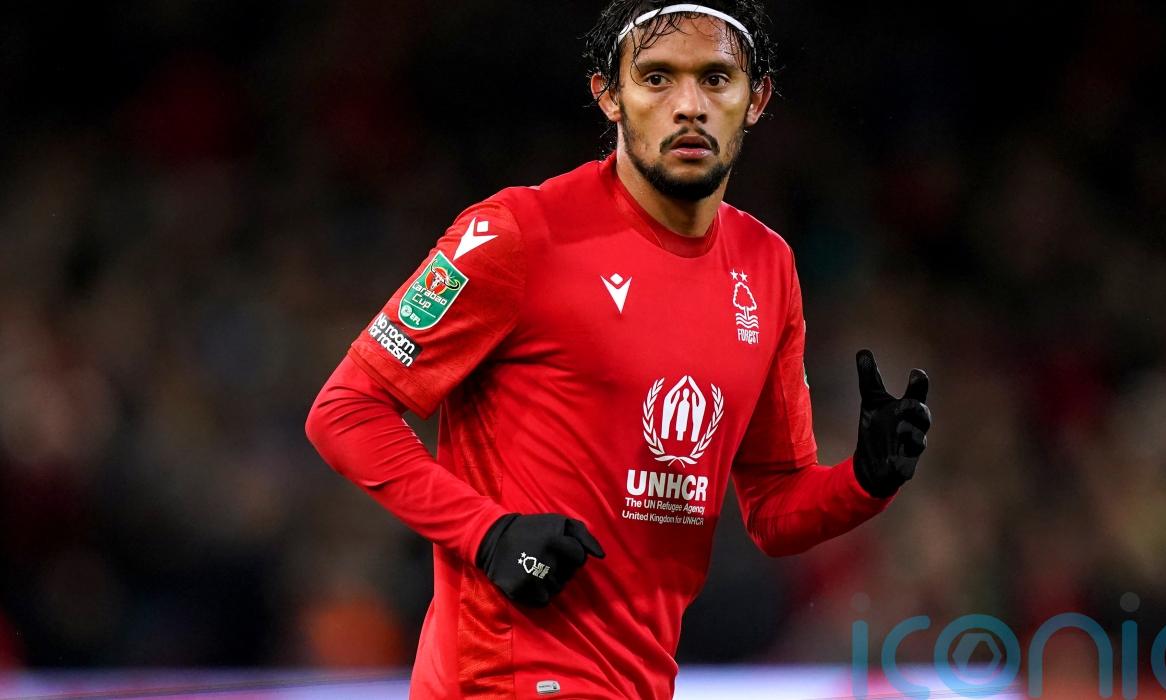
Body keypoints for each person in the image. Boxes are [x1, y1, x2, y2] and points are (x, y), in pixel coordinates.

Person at [305, 1, 932, 697]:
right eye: (657, 78)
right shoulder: (517, 233)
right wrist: (488, 533)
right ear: (608, 94)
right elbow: (346, 409)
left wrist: (864, 481)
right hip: (502, 676)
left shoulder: (766, 266)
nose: (688, 105)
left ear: (756, 100)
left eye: (715, 78)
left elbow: (775, 508)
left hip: (640, 679)